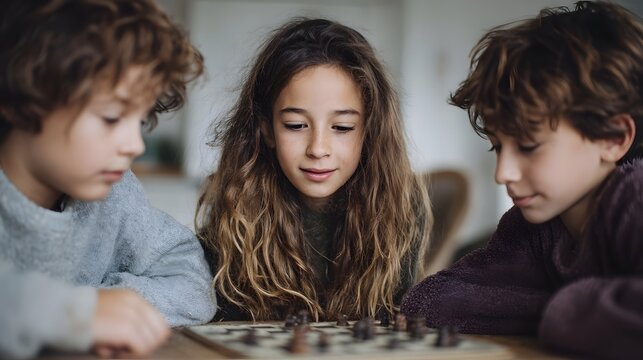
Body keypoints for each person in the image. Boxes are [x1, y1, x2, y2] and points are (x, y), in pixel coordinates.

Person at [401, 1, 643, 359]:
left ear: (612, 138)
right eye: (498, 147)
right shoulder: (533, 228)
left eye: (529, 146)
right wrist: (554, 309)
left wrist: (561, 310)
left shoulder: (634, 199)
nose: (503, 174)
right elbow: (429, 300)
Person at [0, 1, 216, 358]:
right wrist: (68, 312)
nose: (134, 145)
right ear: (16, 97)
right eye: (112, 118)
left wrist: (107, 305)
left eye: (141, 119)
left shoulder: (116, 191)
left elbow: (192, 283)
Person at [197, 18, 431, 322]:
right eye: (295, 125)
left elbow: (392, 319)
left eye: (342, 127)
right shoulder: (235, 205)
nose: (318, 148)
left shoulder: (401, 204)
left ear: (369, 130)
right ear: (266, 129)